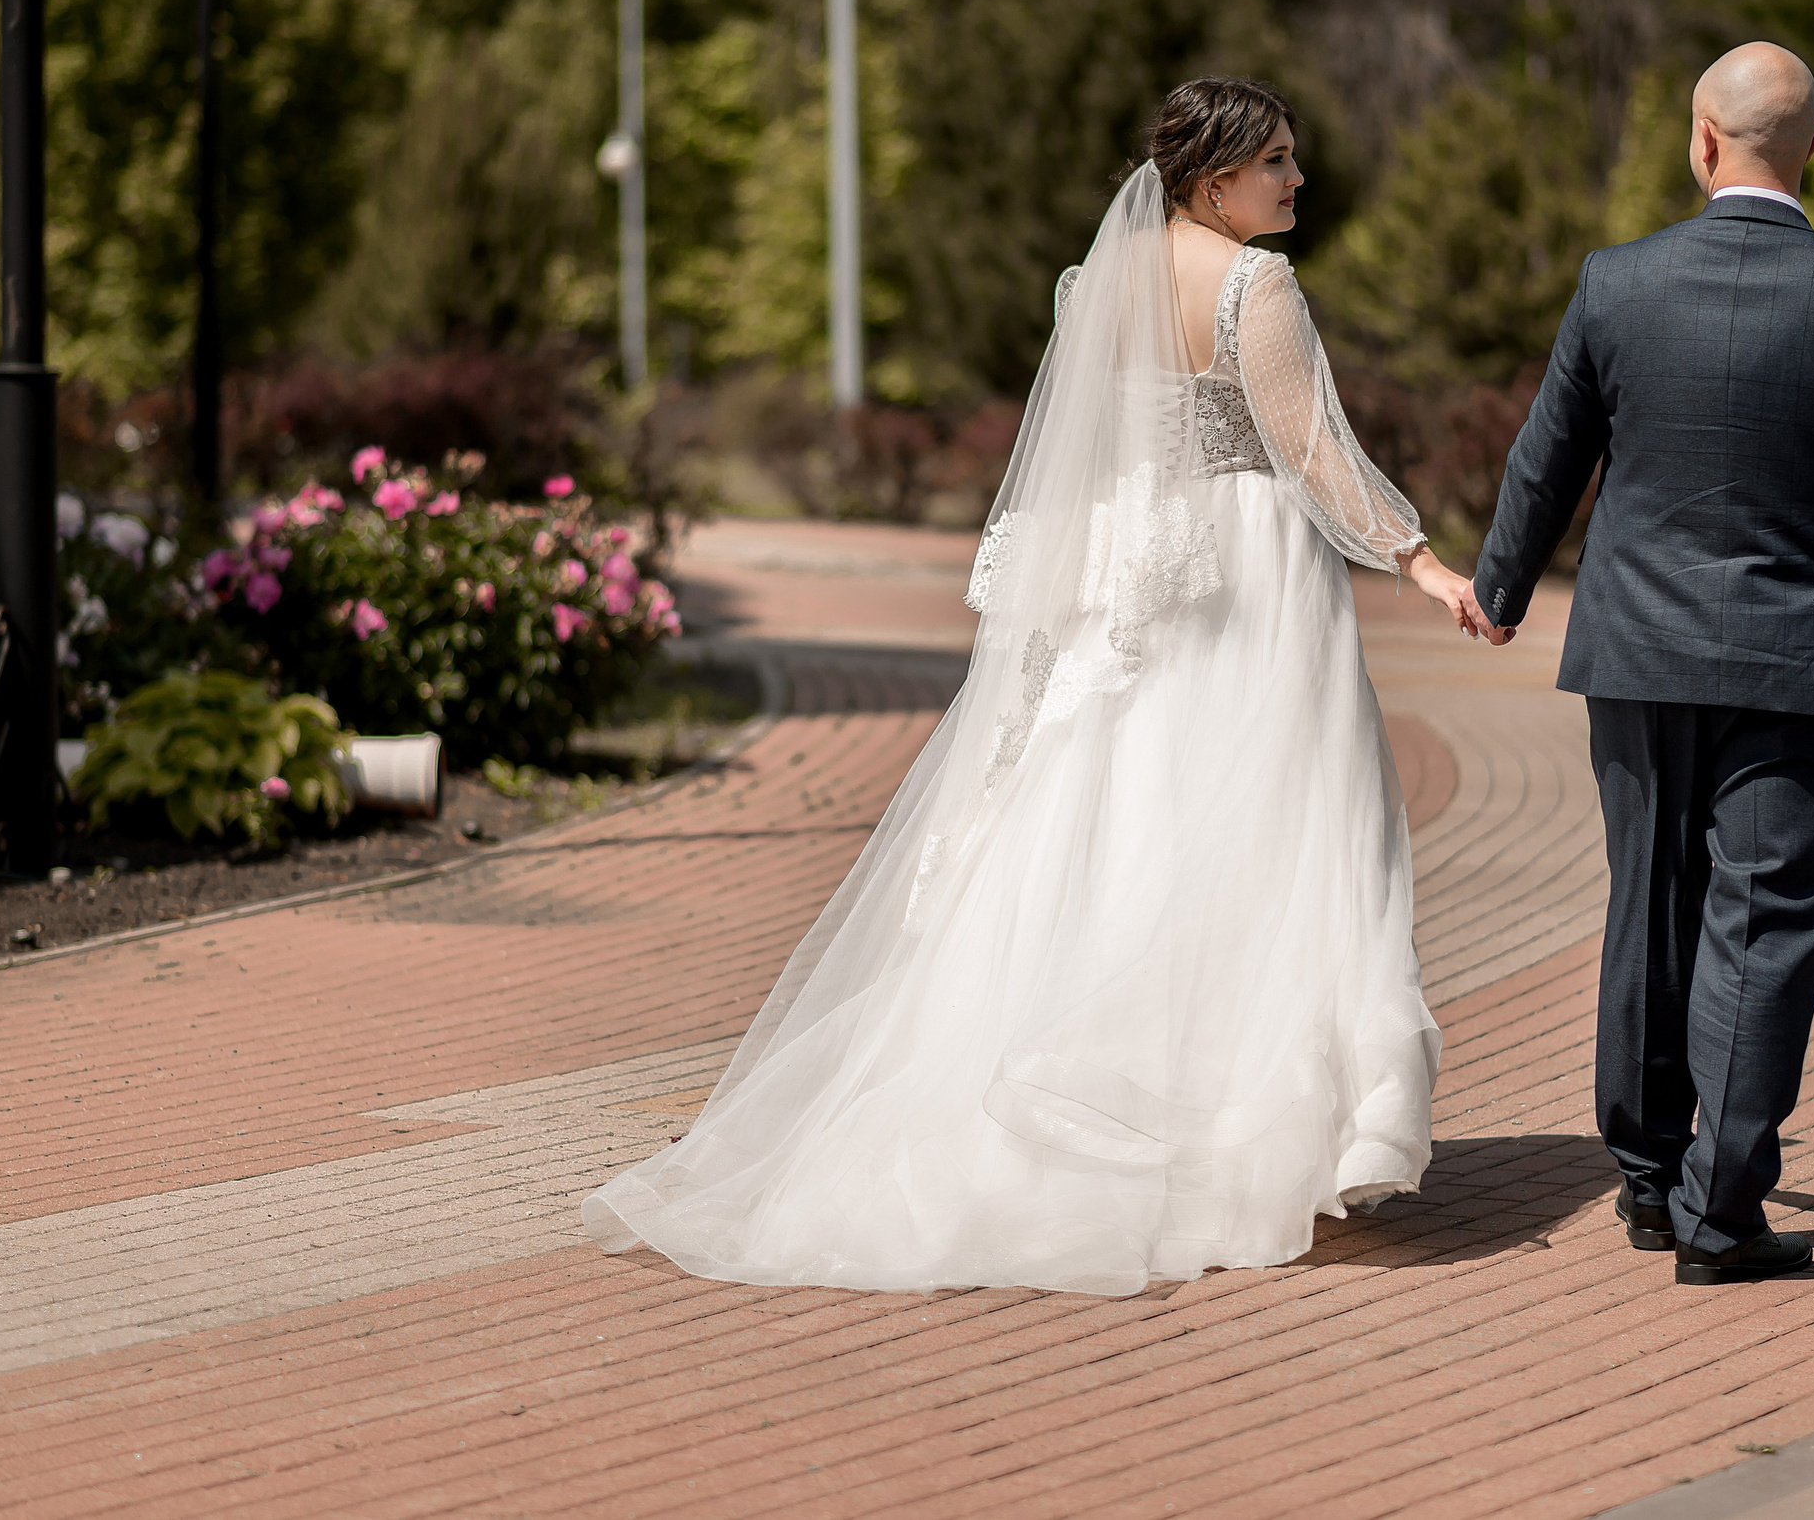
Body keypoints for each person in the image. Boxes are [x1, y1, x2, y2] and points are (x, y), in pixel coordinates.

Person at [581, 78, 1484, 1296]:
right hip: (1246, 576)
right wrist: (1420, 561)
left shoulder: (1095, 283)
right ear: (1213, 180)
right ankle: (1236, 1128)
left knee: (1117, 818)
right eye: (1275, 160)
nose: (1295, 179)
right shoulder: (1254, 286)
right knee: (1274, 827)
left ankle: (1107, 1098)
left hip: (1129, 565)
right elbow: (1309, 446)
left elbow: (1088, 442)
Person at [1463, 43, 1814, 1285]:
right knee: (1764, 927)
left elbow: (1549, 454)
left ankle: (1645, 1180)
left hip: (1637, 653)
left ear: (1700, 141)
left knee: (1651, 904)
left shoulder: (1616, 284)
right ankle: (1717, 1215)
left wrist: (1500, 590)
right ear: (1812, 157)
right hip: (1802, 668)